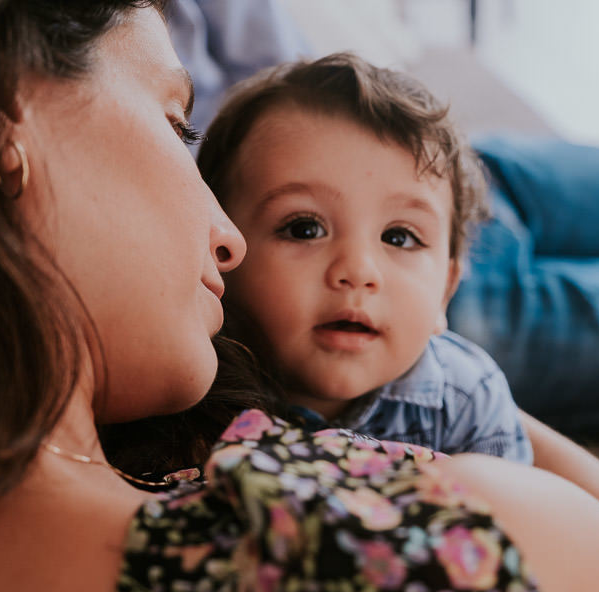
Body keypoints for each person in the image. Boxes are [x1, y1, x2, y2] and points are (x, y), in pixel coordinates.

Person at [0, 0, 599, 591]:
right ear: (14, 126)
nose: (225, 237)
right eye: (178, 125)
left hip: (447, 202)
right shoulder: (418, 526)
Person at [195, 53, 532, 464]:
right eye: (304, 229)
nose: (358, 271)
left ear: (446, 290)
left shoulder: (468, 403)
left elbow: (517, 524)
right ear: (221, 254)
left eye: (399, 237)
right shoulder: (189, 387)